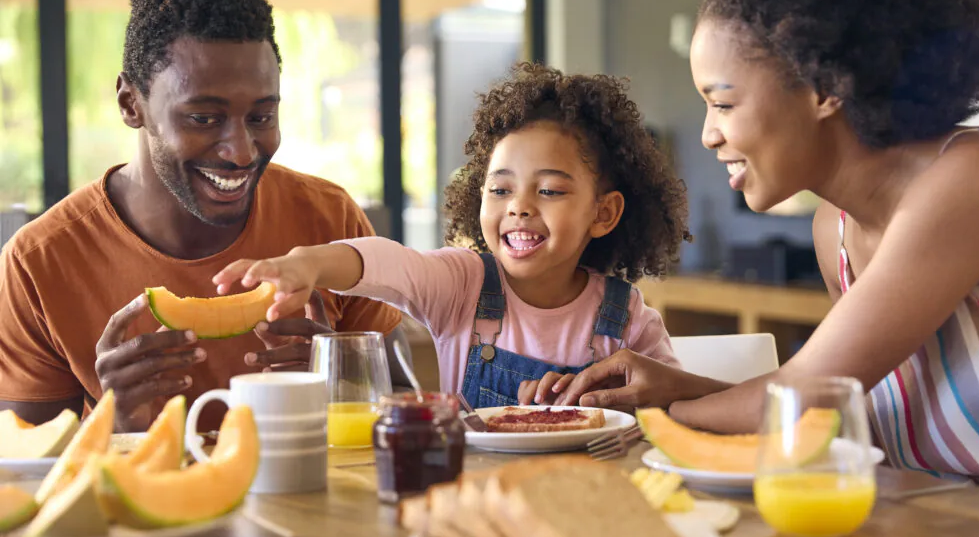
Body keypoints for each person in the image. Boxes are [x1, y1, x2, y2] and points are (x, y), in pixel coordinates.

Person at [543, 0, 979, 493]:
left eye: (722, 103)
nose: (708, 135)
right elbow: (834, 402)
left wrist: (645, 419)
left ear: (823, 86)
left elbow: (806, 395)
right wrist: (672, 387)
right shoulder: (834, 233)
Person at [0, 0, 409, 433]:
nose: (240, 152)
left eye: (260, 117)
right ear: (131, 104)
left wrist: (341, 384)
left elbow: (411, 406)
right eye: (203, 118)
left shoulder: (330, 219)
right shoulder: (39, 262)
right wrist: (118, 422)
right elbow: (22, 471)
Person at [212, 63, 691, 408]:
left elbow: (674, 406)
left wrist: (622, 407)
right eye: (500, 189)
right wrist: (309, 263)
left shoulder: (625, 316)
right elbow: (388, 263)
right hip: (474, 502)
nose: (519, 206)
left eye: (548, 190)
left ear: (603, 213)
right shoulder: (463, 284)